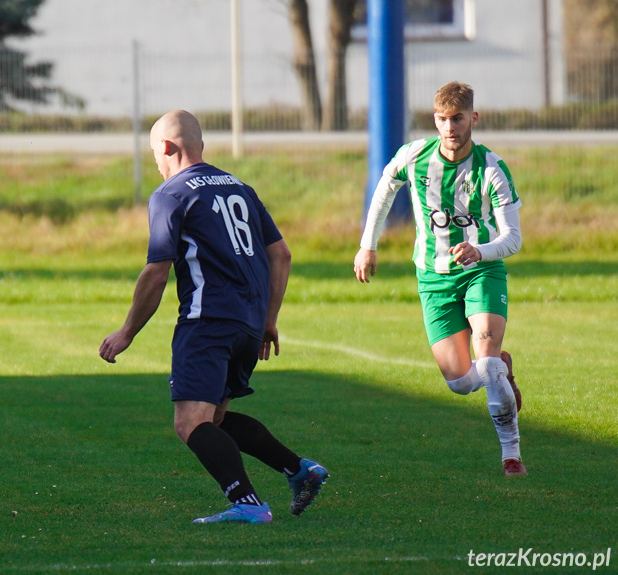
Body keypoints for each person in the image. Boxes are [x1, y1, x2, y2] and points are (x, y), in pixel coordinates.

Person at [99, 109, 328, 523]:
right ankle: (300, 469)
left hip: (208, 321)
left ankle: (248, 504)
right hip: (249, 322)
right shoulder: (239, 186)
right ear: (200, 146)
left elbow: (157, 269)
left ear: (167, 148)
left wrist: (127, 331)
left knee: (190, 423)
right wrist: (269, 318)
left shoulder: (171, 194)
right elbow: (281, 254)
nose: (155, 160)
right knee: (216, 419)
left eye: (154, 152)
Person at [353, 82, 527, 477]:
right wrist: (368, 245)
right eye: (442, 119)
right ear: (435, 119)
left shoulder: (492, 168)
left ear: (473, 118)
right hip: (433, 278)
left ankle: (511, 454)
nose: (449, 127)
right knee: (462, 383)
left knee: (485, 356)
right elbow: (383, 192)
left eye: (458, 118)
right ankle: (500, 365)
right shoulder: (415, 156)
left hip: (481, 271)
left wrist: (480, 251)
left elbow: (513, 237)